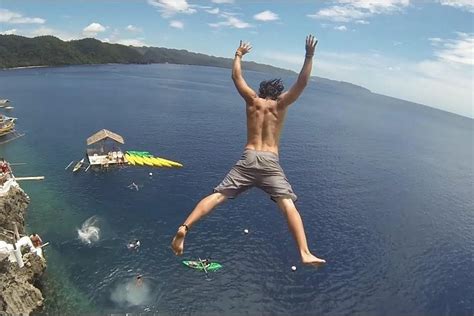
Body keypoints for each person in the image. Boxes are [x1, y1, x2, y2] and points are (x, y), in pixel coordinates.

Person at [171, 35, 325, 265]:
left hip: (249, 157)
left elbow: (236, 76)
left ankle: (184, 227)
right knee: (287, 205)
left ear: (261, 91)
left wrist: (238, 54)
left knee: (218, 196)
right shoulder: (280, 105)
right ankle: (304, 252)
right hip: (270, 161)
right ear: (277, 93)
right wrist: (309, 55)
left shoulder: (252, 100)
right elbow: (301, 83)